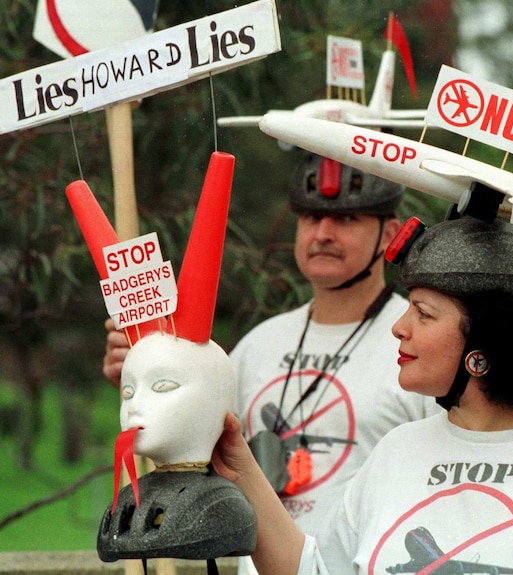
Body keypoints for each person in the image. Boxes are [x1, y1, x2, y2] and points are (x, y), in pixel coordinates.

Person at [210, 209, 513, 574]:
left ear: (485, 345)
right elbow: (315, 570)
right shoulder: (397, 450)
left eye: (423, 313)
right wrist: (242, 469)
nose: (399, 327)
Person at [102, 153, 438, 569]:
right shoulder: (258, 344)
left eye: (348, 219)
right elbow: (193, 457)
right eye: (311, 218)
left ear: (390, 233)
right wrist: (150, 377)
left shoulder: (420, 345)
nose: (324, 233)